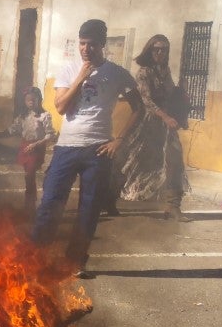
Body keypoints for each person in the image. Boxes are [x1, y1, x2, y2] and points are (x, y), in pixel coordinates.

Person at [31, 19, 144, 276]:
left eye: (92, 44)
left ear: (102, 45)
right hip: (67, 147)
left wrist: (119, 139)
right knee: (50, 203)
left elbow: (139, 108)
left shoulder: (116, 73)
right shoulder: (69, 70)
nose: (86, 49)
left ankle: (74, 262)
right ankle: (35, 258)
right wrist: (81, 77)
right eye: (82, 43)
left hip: (98, 150)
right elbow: (60, 107)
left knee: (89, 209)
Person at [110, 34, 189, 220]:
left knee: (174, 161)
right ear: (150, 50)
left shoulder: (165, 71)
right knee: (129, 163)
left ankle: (173, 206)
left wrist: (180, 96)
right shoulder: (144, 72)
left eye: (163, 49)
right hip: (146, 124)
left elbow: (169, 95)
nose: (160, 52)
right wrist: (166, 117)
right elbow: (146, 101)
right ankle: (109, 198)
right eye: (156, 49)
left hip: (166, 126)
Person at [11, 86, 56, 215]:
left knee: (29, 174)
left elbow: (50, 135)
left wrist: (36, 144)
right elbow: (12, 129)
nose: (31, 102)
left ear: (39, 100)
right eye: (28, 100)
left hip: (37, 148)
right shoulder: (22, 116)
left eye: (33, 99)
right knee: (28, 175)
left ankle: (30, 204)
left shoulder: (44, 115)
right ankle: (29, 202)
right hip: (25, 146)